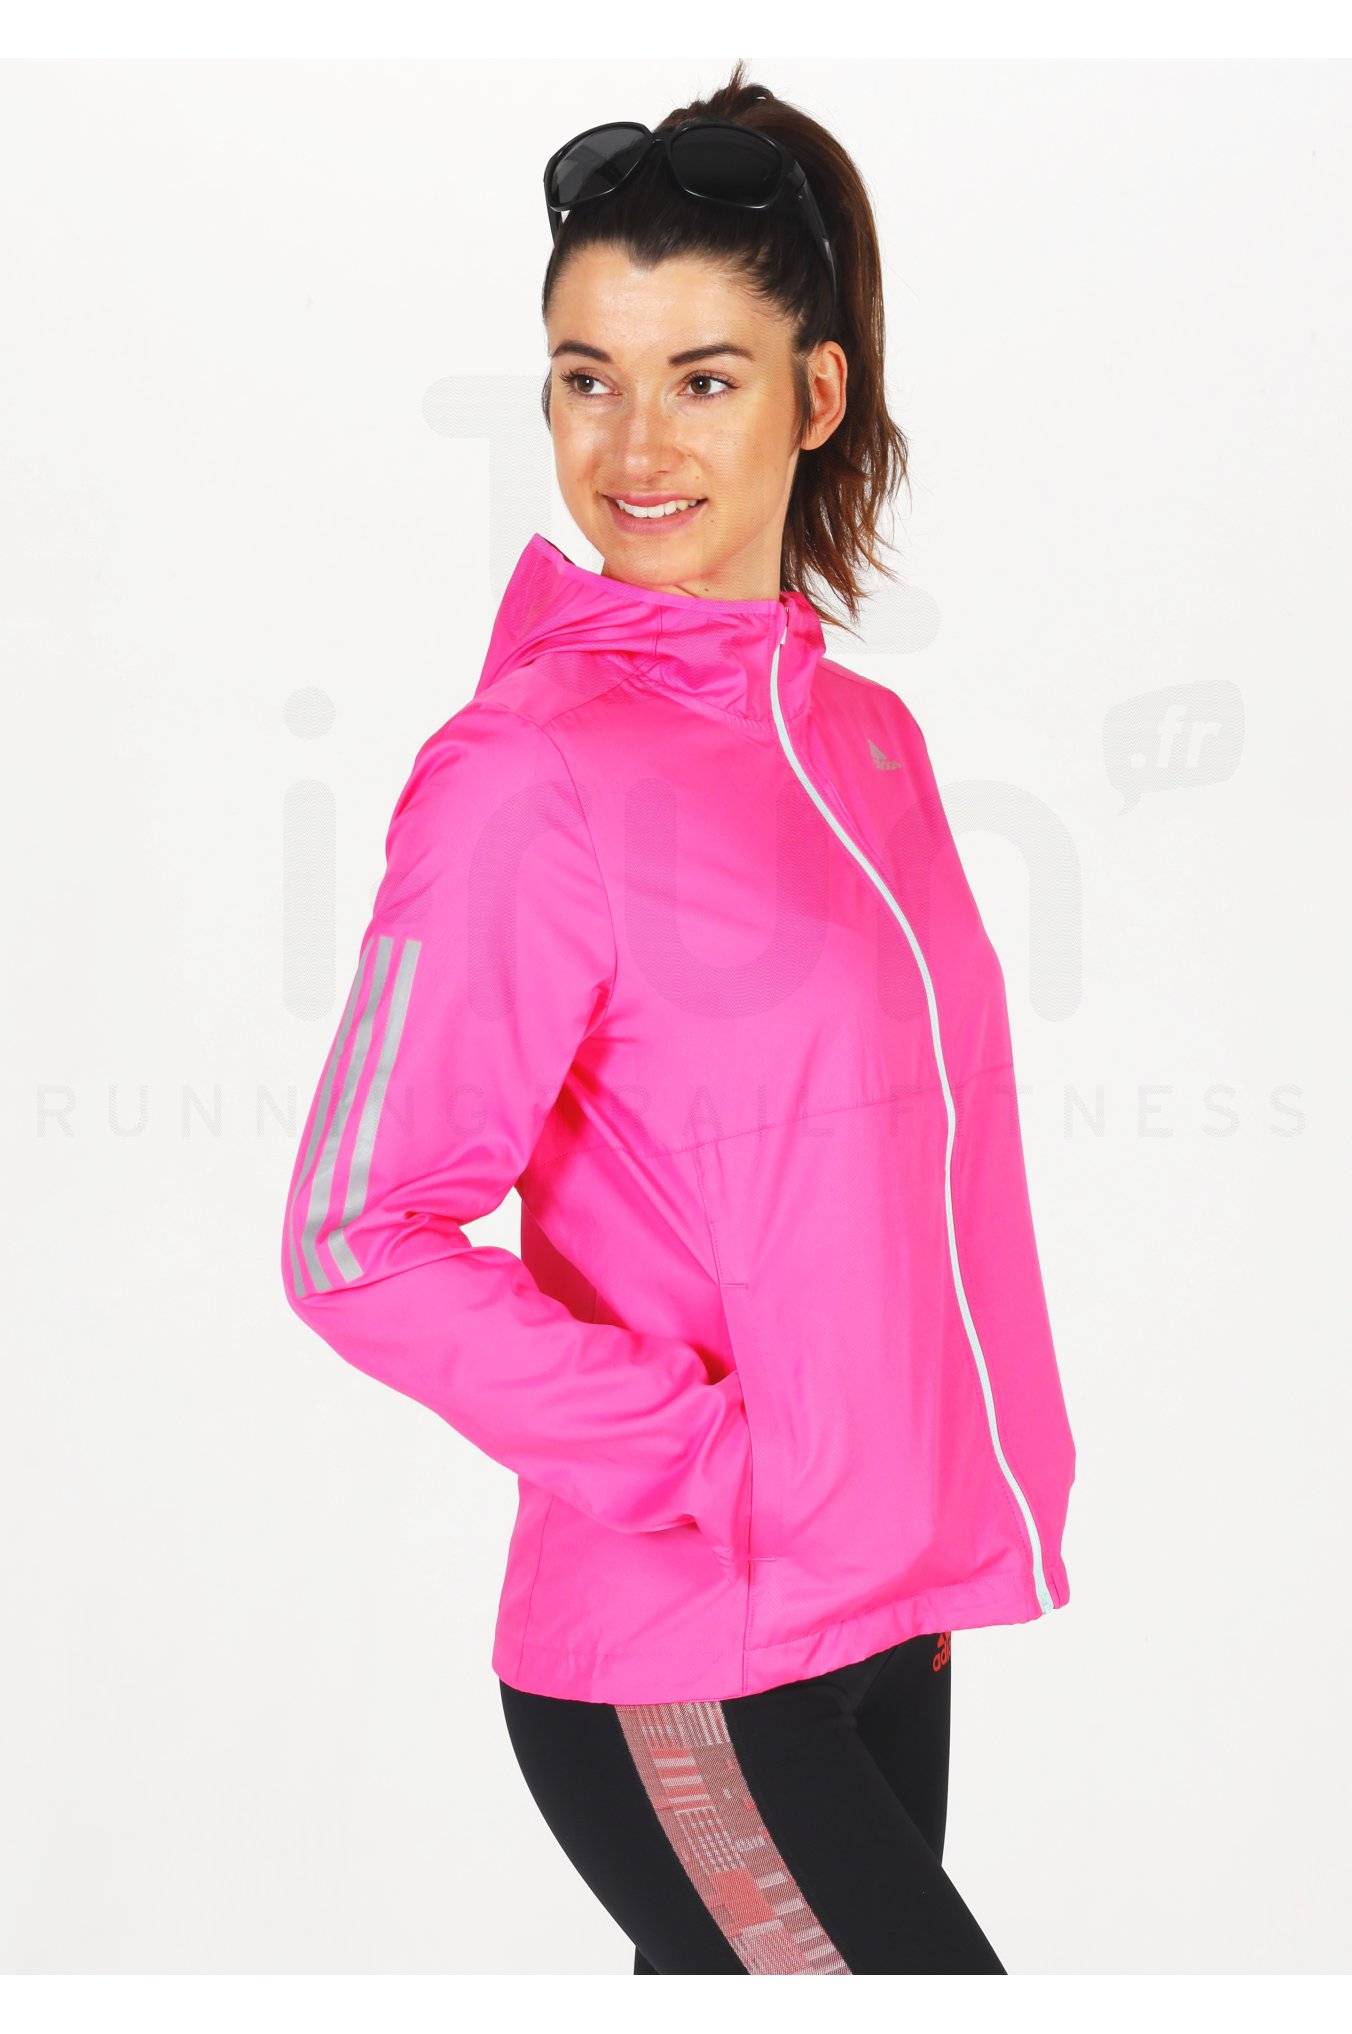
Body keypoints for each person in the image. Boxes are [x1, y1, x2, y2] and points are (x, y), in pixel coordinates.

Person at [279, 58, 1076, 1976]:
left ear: (818, 392)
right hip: (691, 1640)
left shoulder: (865, 742)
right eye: (588, 377)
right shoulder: (524, 775)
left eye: (703, 378)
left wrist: (894, 1497)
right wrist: (727, 1467)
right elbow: (353, 1236)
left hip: (885, 1613)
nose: (633, 444)